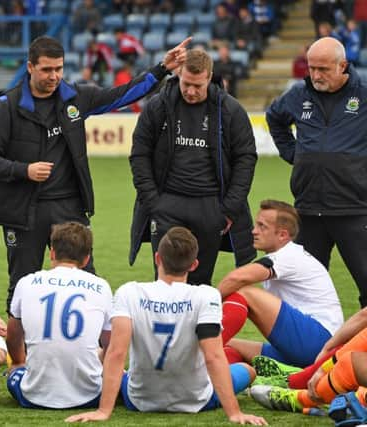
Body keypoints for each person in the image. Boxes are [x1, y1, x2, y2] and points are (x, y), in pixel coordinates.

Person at [0, 35, 191, 315]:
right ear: (30, 67)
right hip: (22, 212)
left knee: (87, 281)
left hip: (69, 207)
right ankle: (20, 358)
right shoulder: (6, 107)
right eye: (46, 70)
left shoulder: (76, 98)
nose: (54, 76)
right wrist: (24, 171)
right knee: (20, 286)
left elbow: (123, 94)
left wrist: (162, 68)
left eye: (59, 69)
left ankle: (94, 353)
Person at [64, 227, 267, 425]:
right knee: (247, 370)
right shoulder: (206, 295)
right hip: (196, 400)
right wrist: (234, 413)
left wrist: (103, 411)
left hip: (139, 400)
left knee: (107, 358)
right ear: (194, 265)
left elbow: (116, 353)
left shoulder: (129, 292)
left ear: (157, 258)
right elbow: (213, 356)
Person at [128, 48, 257, 286]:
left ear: (209, 77)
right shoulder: (158, 106)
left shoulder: (230, 110)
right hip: (167, 204)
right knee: (165, 282)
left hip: (210, 208)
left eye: (197, 86)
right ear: (178, 74)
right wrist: (154, 202)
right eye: (186, 83)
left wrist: (227, 209)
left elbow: (246, 159)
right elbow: (139, 155)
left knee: (199, 284)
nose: (190, 91)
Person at [266, 36, 367, 308]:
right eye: (311, 68)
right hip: (309, 210)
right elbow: (274, 118)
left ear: (343, 65)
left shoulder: (364, 93)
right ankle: (309, 350)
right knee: (303, 291)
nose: (315, 75)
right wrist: (293, 153)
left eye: (323, 69)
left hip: (355, 210)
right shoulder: (299, 94)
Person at [218, 200, 343, 368]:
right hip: (304, 347)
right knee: (228, 346)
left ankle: (196, 355)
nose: (254, 231)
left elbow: (237, 278)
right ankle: (215, 375)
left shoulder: (289, 256)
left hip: (318, 342)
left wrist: (205, 305)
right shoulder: (286, 255)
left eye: (262, 226)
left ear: (283, 235)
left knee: (245, 292)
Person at [6, 222, 113, 409]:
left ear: (52, 253)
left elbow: (13, 337)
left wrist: (18, 362)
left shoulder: (26, 282)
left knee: (15, 374)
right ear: (86, 259)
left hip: (34, 395)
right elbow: (110, 345)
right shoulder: (101, 286)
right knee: (114, 369)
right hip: (90, 396)